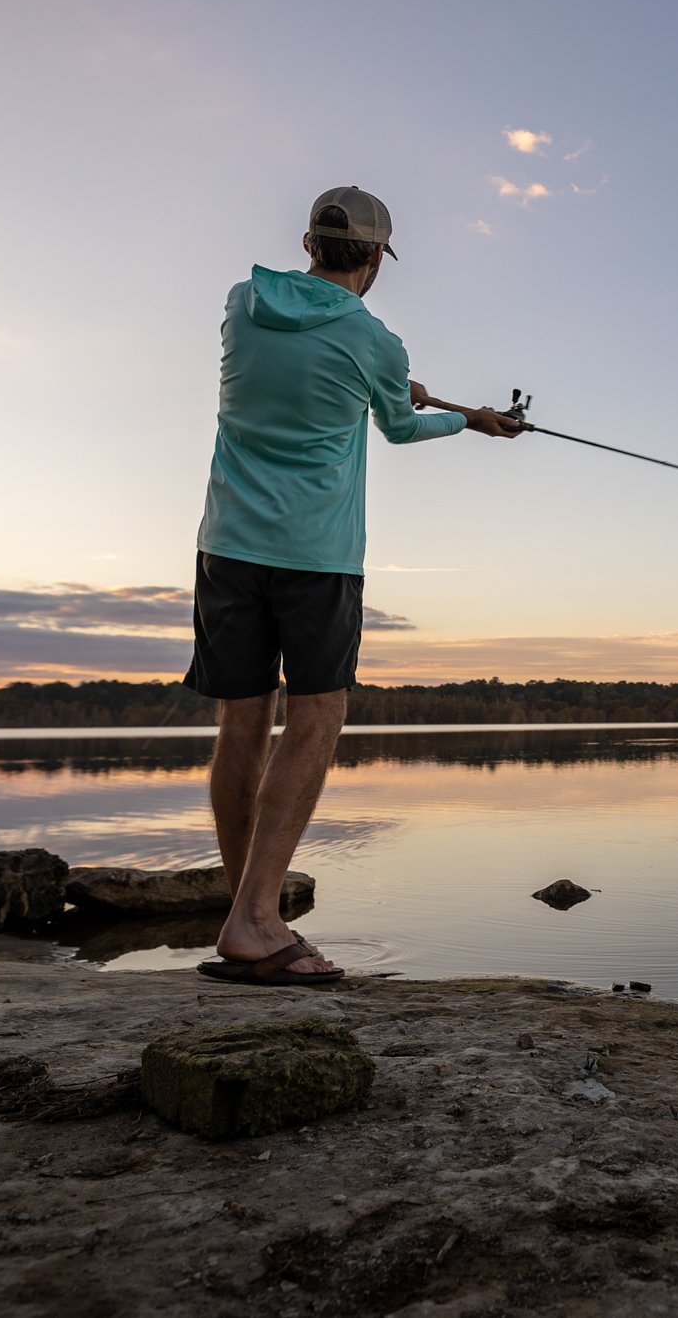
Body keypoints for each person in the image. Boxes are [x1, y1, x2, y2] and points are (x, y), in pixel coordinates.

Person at [186, 186, 518, 984]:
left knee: (241, 723)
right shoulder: (375, 340)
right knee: (317, 716)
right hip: (317, 556)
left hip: (226, 547)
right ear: (375, 257)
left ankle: (247, 912)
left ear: (307, 242)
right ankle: (258, 922)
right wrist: (469, 418)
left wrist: (377, 381)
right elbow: (398, 426)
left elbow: (306, 380)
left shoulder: (241, 303)